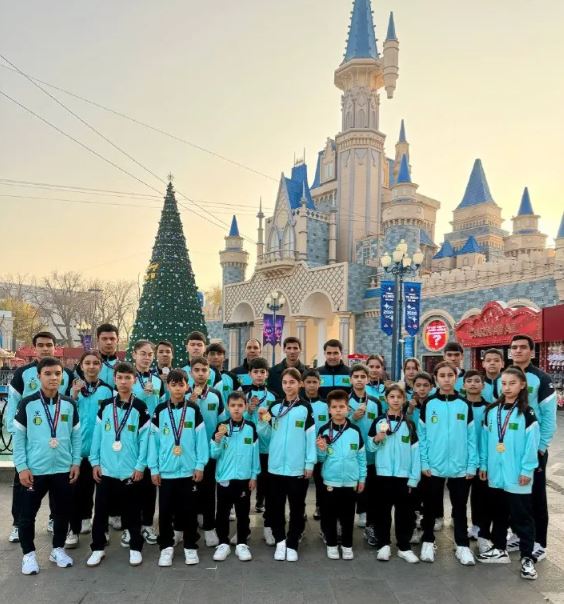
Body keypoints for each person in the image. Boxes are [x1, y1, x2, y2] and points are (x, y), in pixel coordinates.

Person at [13, 356, 81, 575]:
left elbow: (76, 436)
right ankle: (29, 554)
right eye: (48, 374)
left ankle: (58, 549)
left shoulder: (69, 404)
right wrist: (22, 466)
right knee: (27, 515)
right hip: (35, 470)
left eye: (58, 374)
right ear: (39, 376)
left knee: (62, 512)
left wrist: (76, 462)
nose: (53, 378)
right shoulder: (28, 403)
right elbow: (18, 438)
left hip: (62, 469)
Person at [6, 331, 73, 543]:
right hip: (30, 435)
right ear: (35, 348)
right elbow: (13, 402)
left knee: (57, 482)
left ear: (55, 347)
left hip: (56, 438)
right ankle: (18, 524)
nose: (45, 348)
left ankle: (54, 519)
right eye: (41, 345)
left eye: (49, 345)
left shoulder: (66, 374)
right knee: (23, 482)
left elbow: (71, 401)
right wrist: (14, 429)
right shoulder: (22, 373)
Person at [478, 367, 540, 581]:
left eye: (512, 383)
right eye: (503, 383)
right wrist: (484, 465)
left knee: (522, 517)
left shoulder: (527, 413)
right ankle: (499, 548)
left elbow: (532, 444)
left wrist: (527, 469)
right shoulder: (491, 411)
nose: (507, 387)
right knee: (499, 513)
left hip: (517, 475)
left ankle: (527, 557)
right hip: (496, 474)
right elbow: (485, 441)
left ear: (522, 385)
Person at [87, 362, 150, 568]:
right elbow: (97, 435)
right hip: (106, 469)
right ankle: (97, 548)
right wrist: (95, 462)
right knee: (101, 512)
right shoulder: (106, 405)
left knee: (133, 512)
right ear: (114, 380)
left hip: (130, 471)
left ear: (134, 380)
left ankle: (135, 548)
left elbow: (145, 440)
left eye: (127, 378)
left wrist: (140, 466)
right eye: (120, 378)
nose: (123, 382)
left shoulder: (140, 407)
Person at [418, 361, 477, 566]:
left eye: (450, 375)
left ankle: (462, 545)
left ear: (456, 377)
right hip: (433, 465)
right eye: (442, 375)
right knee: (430, 505)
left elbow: (471, 437)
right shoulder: (429, 404)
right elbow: (422, 436)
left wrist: (472, 464)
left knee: (459, 507)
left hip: (460, 466)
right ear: (436, 379)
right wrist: (424, 462)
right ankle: (428, 541)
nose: (446, 379)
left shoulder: (464, 404)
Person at [148, 368, 208, 567]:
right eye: (173, 385)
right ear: (168, 386)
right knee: (165, 512)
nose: (177, 388)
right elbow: (153, 442)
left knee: (189, 511)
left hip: (189, 471)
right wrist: (154, 468)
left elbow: (201, 440)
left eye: (181, 384)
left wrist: (200, 465)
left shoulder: (193, 410)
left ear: (187, 386)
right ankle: (166, 547)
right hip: (166, 472)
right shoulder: (159, 410)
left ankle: (190, 546)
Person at [506, 334, 556, 561]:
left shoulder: (542, 379)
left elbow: (549, 418)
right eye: (514, 347)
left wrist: (541, 447)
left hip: (533, 449)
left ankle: (540, 542)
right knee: (515, 494)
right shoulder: (507, 376)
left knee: (536, 496)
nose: (517, 351)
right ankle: (519, 534)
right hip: (511, 449)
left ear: (531, 351)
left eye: (522, 347)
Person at [257, 367, 316, 562]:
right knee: (275, 507)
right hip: (275, 467)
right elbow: (267, 434)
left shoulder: (305, 408)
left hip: (296, 467)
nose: (288, 386)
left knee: (297, 508)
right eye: (285, 382)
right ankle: (280, 541)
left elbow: (310, 438)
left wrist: (309, 463)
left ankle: (292, 543)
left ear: (300, 384)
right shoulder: (275, 407)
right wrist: (262, 421)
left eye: (292, 382)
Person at [367, 384, 420, 564]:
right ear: (386, 399)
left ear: (404, 400)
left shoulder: (409, 424)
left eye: (399, 397)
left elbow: (415, 453)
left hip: (404, 477)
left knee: (404, 513)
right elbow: (370, 447)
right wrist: (376, 439)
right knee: (382, 511)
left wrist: (413, 478)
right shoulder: (379, 422)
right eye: (392, 397)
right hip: (383, 475)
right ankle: (383, 545)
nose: (395, 400)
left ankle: (404, 547)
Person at [65, 351, 113, 548]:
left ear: (100, 366)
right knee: (77, 493)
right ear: (81, 366)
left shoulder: (107, 390)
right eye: (88, 363)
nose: (92, 366)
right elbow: (66, 415)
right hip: (80, 450)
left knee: (103, 495)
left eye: (95, 363)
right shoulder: (73, 388)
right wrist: (74, 395)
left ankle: (102, 529)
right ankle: (73, 529)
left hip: (101, 451)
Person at [316, 389, 366, 560]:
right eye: (334, 407)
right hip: (331, 481)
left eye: (342, 407)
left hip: (351, 482)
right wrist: (321, 449)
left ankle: (347, 545)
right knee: (329, 515)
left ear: (347, 408)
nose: (338, 410)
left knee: (348, 516)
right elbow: (320, 458)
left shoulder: (355, 431)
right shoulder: (324, 430)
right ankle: (331, 544)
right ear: (329, 409)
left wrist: (362, 478)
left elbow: (361, 457)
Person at [211, 392, 260, 562]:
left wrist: (253, 476)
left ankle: (241, 543)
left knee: (243, 513)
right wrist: (217, 441)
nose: (236, 409)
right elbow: (214, 454)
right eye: (233, 405)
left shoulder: (250, 428)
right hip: (224, 478)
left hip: (244, 479)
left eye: (240, 405)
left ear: (245, 406)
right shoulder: (221, 427)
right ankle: (223, 543)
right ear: (228, 407)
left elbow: (255, 454)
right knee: (222, 513)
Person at [130, 340, 166, 546]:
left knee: (151, 483)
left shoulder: (158, 380)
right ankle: (131, 525)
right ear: (134, 354)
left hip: (153, 435)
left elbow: (161, 406)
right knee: (134, 480)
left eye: (150, 354)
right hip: (133, 434)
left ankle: (147, 523)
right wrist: (142, 394)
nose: (147, 357)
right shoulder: (128, 377)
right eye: (143, 353)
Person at [189, 356, 226, 547]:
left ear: (209, 373)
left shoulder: (216, 395)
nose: (201, 374)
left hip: (210, 450)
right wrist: (190, 403)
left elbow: (222, 422)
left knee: (209, 489)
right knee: (190, 490)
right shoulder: (184, 394)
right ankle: (188, 525)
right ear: (191, 373)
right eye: (197, 370)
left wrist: (219, 439)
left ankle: (210, 526)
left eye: (204, 370)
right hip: (189, 451)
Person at [242, 357, 277, 540]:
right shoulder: (243, 394)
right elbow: (237, 419)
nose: (259, 375)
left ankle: (269, 526)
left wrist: (266, 417)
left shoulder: (273, 396)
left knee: (269, 488)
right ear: (249, 374)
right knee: (245, 488)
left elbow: (276, 422)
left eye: (262, 372)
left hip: (267, 448)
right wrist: (248, 410)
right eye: (255, 372)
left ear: (267, 374)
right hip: (248, 448)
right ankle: (243, 528)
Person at [348, 363, 382, 540]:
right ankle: (346, 523)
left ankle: (370, 523)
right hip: (351, 454)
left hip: (371, 454)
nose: (359, 380)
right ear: (350, 379)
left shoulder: (375, 402)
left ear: (368, 379)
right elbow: (339, 424)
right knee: (350, 489)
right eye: (356, 377)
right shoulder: (345, 401)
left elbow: (381, 425)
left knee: (372, 490)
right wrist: (352, 417)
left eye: (363, 377)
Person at [462, 370, 491, 552]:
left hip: (483, 461)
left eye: (477, 381)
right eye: (469, 381)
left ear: (483, 385)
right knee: (460, 499)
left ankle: (479, 530)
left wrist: (485, 462)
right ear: (463, 384)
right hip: (462, 461)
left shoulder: (490, 408)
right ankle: (461, 532)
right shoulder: (459, 405)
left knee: (481, 498)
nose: (473, 384)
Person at [405, 371, 433, 542]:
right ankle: (413, 526)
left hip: (430, 455)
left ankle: (426, 526)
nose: (422, 389)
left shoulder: (434, 404)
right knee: (412, 492)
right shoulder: (409, 405)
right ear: (413, 387)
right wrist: (410, 409)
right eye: (418, 385)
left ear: (431, 387)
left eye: (425, 385)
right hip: (412, 455)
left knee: (428, 493)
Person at [302, 368, 328, 521]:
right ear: (302, 383)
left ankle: (320, 506)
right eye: (308, 382)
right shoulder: (298, 404)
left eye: (314, 382)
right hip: (302, 451)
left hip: (320, 450)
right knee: (301, 483)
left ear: (319, 383)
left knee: (320, 481)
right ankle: (301, 508)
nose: (311, 385)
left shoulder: (325, 404)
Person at [96, 324, 120, 389]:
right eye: (104, 339)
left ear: (117, 340)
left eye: (112, 339)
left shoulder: (124, 367)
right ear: (98, 340)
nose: (109, 342)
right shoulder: (87, 365)